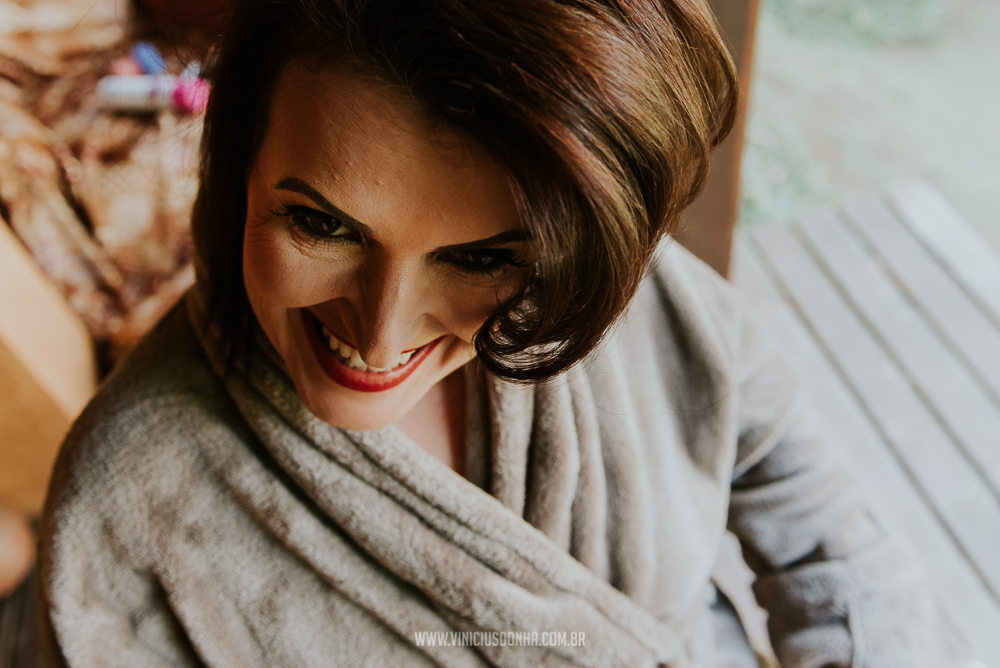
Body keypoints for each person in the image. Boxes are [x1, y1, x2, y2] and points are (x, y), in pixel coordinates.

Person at [38, 0, 974, 666]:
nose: (382, 328)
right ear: (238, 161)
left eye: (481, 258)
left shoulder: (619, 297)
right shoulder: (130, 508)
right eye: (321, 223)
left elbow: (818, 516)